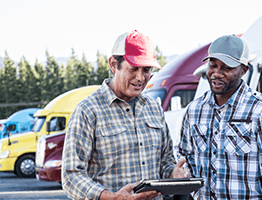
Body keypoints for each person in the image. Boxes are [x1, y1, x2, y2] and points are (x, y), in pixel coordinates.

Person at [62, 30, 189, 200]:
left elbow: (165, 162)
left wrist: (174, 174)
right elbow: (71, 176)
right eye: (133, 69)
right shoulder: (88, 111)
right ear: (114, 65)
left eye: (146, 70)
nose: (140, 78)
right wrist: (112, 197)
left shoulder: (153, 108)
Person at [178, 35, 262, 199]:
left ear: (243, 70)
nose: (217, 73)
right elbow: (185, 157)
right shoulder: (194, 110)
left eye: (226, 68)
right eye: (213, 65)